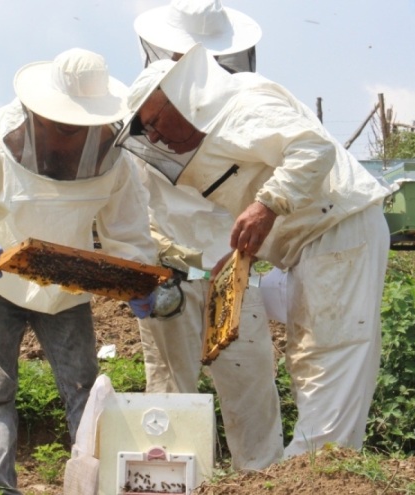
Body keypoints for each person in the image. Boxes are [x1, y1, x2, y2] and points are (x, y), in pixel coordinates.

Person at [116, 44, 391, 463]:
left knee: (330, 362)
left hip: (337, 233)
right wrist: (243, 257)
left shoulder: (242, 103)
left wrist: (267, 205)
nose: (152, 136)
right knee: (310, 362)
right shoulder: (220, 122)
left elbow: (314, 149)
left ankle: (316, 477)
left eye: (153, 121)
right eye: (144, 130)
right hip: (313, 244)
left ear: (178, 94)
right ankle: (312, 474)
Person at [0, 48, 157, 495]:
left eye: (83, 126)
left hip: (66, 288)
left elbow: (127, 229)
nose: (74, 134)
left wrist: (139, 278)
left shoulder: (115, 153)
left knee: (83, 391)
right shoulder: (3, 130)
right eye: (64, 124)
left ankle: (91, 486)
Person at [131, 0, 286, 470]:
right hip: (169, 273)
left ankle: (260, 481)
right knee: (168, 394)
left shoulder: (244, 104)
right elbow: (129, 200)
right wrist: (147, 264)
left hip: (234, 269)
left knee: (251, 388)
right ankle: (168, 479)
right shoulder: (145, 101)